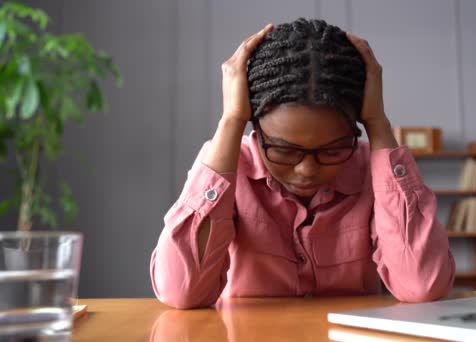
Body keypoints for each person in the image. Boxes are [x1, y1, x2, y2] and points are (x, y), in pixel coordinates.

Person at [150, 18, 455, 309]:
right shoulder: (229, 167)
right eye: (283, 151)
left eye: (333, 149)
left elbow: (422, 283)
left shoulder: (372, 173)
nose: (307, 170)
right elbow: (181, 291)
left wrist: (378, 123)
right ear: (255, 128)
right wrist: (231, 119)